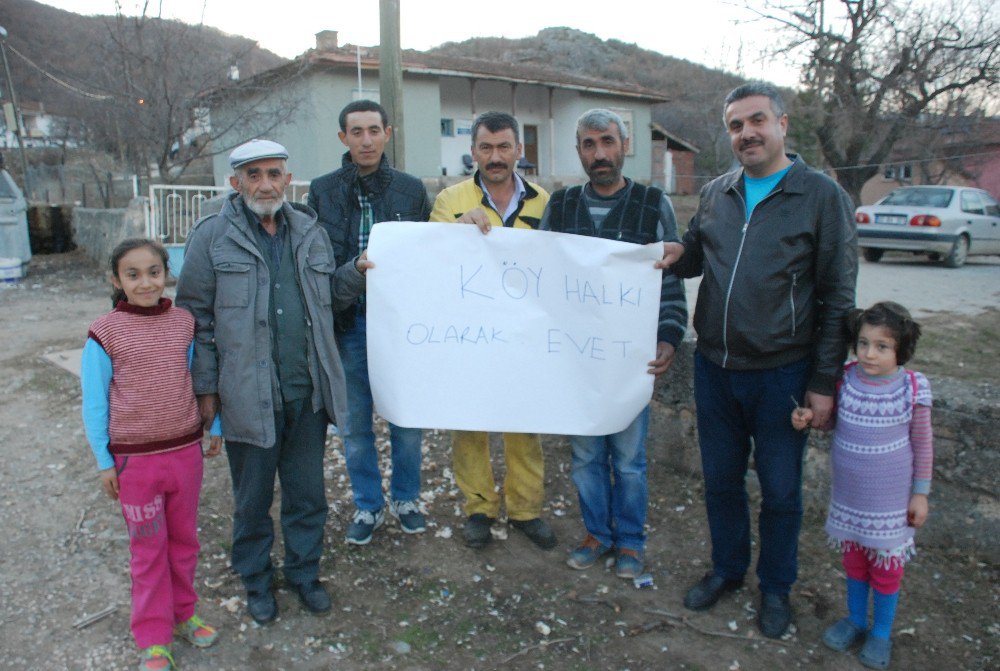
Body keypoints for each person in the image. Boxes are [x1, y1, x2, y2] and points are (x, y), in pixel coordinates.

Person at [658, 81, 858, 638]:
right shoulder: (718, 191)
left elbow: (838, 296)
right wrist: (678, 255)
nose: (746, 133)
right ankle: (726, 570)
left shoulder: (820, 196)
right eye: (735, 126)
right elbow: (698, 254)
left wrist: (822, 382)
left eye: (756, 121)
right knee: (720, 482)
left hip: (782, 374)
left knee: (781, 491)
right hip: (715, 368)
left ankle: (775, 588)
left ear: (782, 124)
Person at [176, 140, 368, 625]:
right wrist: (206, 391)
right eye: (254, 174)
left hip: (307, 394)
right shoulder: (211, 237)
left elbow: (327, 299)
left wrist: (358, 273)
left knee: (308, 496)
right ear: (235, 183)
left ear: (288, 179)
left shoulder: (309, 230)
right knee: (252, 500)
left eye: (275, 173)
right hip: (246, 397)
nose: (266, 183)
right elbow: (194, 318)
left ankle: (304, 574)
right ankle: (257, 581)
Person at [539, 108, 687, 579]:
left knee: (628, 459)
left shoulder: (652, 203)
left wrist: (668, 336)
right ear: (579, 150)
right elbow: (540, 276)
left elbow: (671, 279)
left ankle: (629, 541)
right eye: (588, 144)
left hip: (629, 361)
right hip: (577, 361)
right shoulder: (560, 207)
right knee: (585, 457)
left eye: (607, 141)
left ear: (625, 146)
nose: (599, 153)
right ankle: (596, 534)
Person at [81, 238, 221, 671]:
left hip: (184, 453)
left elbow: (200, 379)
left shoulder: (183, 323)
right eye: (133, 274)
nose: (146, 283)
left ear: (167, 273)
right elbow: (94, 402)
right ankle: (153, 635)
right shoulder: (104, 333)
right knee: (148, 550)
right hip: (134, 463)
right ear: (116, 280)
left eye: (154, 272)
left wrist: (212, 426)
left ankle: (184, 613)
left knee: (184, 542)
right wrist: (105, 461)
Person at [429, 111, 556, 550]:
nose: (496, 156)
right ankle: (479, 508)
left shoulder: (545, 201)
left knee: (525, 425)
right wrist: (455, 233)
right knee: (469, 424)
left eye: (505, 147)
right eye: (486, 147)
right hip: (470, 336)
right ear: (473, 152)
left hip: (524, 338)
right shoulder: (450, 200)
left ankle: (525, 509)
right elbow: (430, 259)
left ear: (520, 149)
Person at [308, 100, 432, 545]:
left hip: (399, 323)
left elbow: (427, 250)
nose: (365, 140)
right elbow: (316, 256)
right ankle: (367, 503)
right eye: (356, 131)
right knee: (354, 423)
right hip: (348, 321)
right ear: (343, 138)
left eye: (373, 130)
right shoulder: (322, 191)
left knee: (406, 417)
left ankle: (407, 498)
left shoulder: (410, 189)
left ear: (387, 133)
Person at [792, 302, 932, 670]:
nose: (870, 353)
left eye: (882, 346)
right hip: (849, 498)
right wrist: (809, 418)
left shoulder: (912, 389)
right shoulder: (846, 380)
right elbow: (831, 422)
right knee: (854, 562)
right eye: (864, 343)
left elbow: (923, 444)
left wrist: (920, 493)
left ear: (901, 349)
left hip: (889, 503)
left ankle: (881, 632)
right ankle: (855, 620)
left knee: (886, 569)